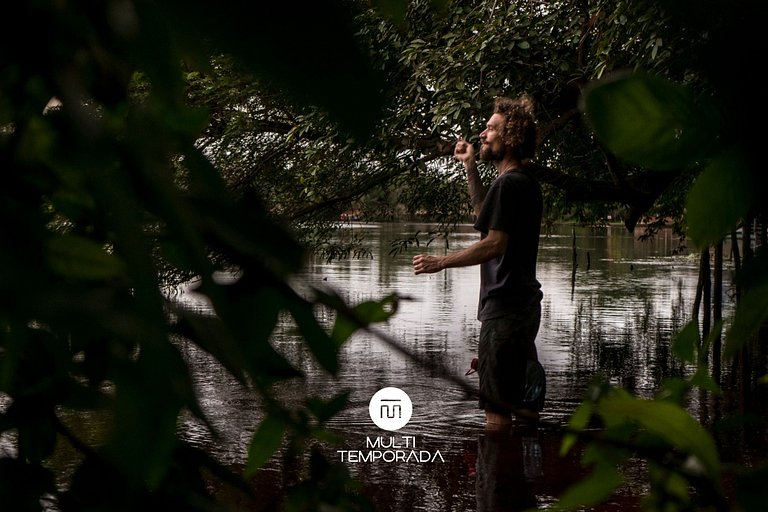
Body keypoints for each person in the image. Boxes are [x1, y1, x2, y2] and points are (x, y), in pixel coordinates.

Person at [412, 95, 544, 429]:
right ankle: (529, 474)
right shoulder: (525, 183)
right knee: (526, 402)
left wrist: (441, 262)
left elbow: (494, 244)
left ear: (510, 137)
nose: (482, 135)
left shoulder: (507, 183)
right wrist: (470, 167)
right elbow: (488, 221)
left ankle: (496, 476)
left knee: (496, 409)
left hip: (503, 309)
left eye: (490, 129)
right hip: (525, 307)